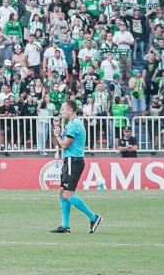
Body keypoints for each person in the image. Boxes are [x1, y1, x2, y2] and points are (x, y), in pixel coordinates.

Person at [49, 99, 103, 234]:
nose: (60, 112)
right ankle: (65, 226)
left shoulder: (74, 125)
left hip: (73, 161)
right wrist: (56, 127)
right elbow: (61, 143)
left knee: (67, 195)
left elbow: (64, 145)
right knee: (62, 193)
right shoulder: (72, 124)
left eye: (62, 109)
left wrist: (57, 135)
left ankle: (94, 217)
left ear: (70, 110)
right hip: (69, 160)